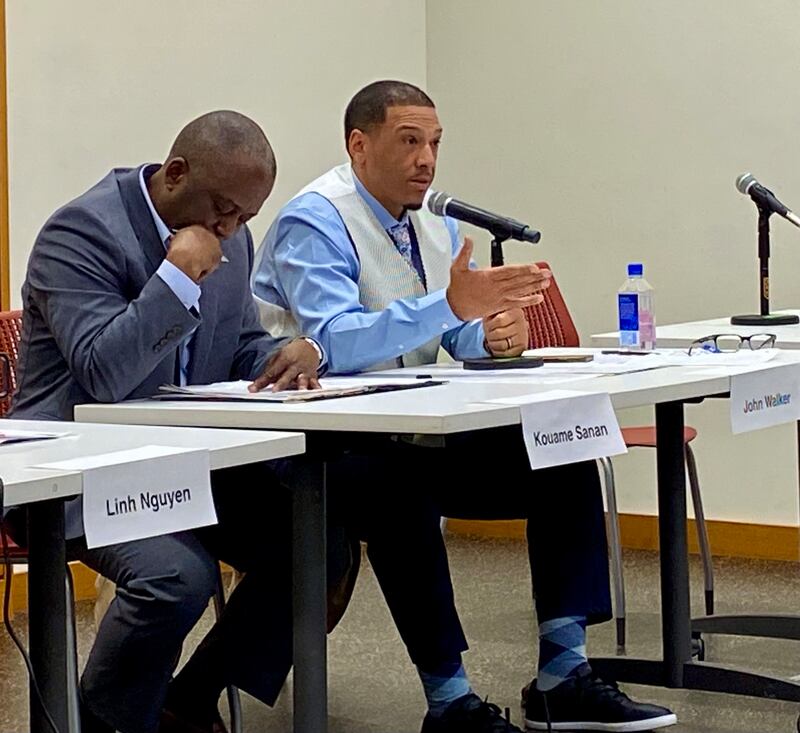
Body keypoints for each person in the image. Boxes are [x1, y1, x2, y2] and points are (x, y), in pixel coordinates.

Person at [253, 81, 678, 733]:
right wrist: (455, 306)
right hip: (315, 442)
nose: (427, 159)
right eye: (409, 142)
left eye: (434, 143)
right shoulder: (314, 219)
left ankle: (563, 676)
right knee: (396, 492)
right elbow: (332, 340)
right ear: (359, 146)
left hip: (409, 427)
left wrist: (489, 334)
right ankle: (449, 701)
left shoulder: (435, 218)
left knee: (560, 447)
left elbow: (452, 334)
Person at [9, 110, 335, 733]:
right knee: (175, 578)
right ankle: (104, 723)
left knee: (318, 539)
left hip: (183, 464)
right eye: (223, 209)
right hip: (76, 471)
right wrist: (175, 276)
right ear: (176, 174)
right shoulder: (80, 234)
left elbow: (235, 348)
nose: (231, 228)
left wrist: (283, 357)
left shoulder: (226, 235)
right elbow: (104, 373)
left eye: (244, 216)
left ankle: (182, 702)